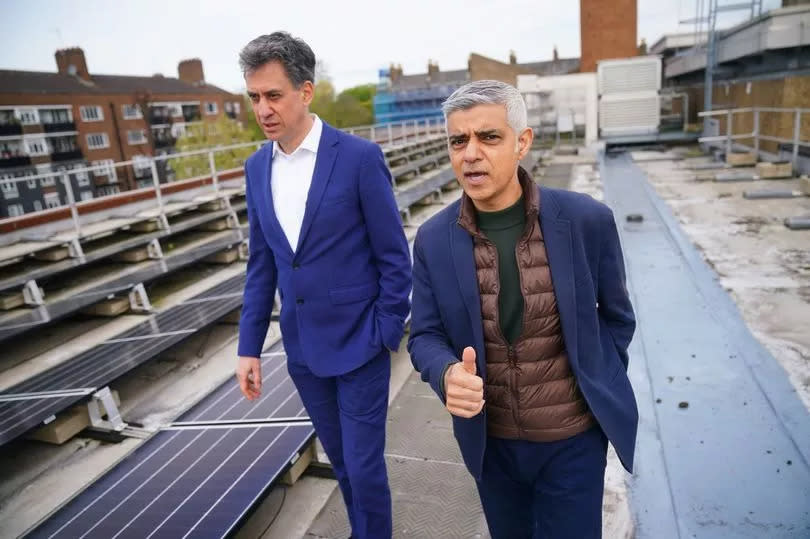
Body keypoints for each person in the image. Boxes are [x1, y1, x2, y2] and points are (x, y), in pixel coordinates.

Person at [407, 80, 637, 539]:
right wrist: (447, 373)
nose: (470, 153)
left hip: (572, 442)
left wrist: (598, 378)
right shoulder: (434, 239)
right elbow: (424, 337)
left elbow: (617, 317)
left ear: (522, 143)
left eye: (488, 137)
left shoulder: (585, 220)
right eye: (458, 140)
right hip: (492, 448)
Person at [235, 32, 411, 539]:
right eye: (254, 98)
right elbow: (261, 264)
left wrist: (383, 331)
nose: (262, 109)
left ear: (305, 91)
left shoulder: (357, 158)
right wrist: (249, 347)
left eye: (273, 95)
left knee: (363, 467)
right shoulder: (255, 168)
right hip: (304, 351)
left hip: (361, 344)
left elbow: (394, 257)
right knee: (341, 464)